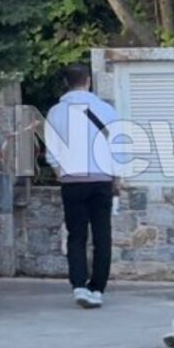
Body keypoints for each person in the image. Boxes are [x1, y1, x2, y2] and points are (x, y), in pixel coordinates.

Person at [44, 63, 122, 309]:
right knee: (102, 236)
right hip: (101, 179)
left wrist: (59, 171)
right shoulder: (106, 110)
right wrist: (117, 177)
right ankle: (97, 288)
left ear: (66, 83)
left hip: (72, 180)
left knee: (76, 235)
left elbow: (52, 149)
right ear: (88, 81)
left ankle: (78, 284)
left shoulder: (56, 112)